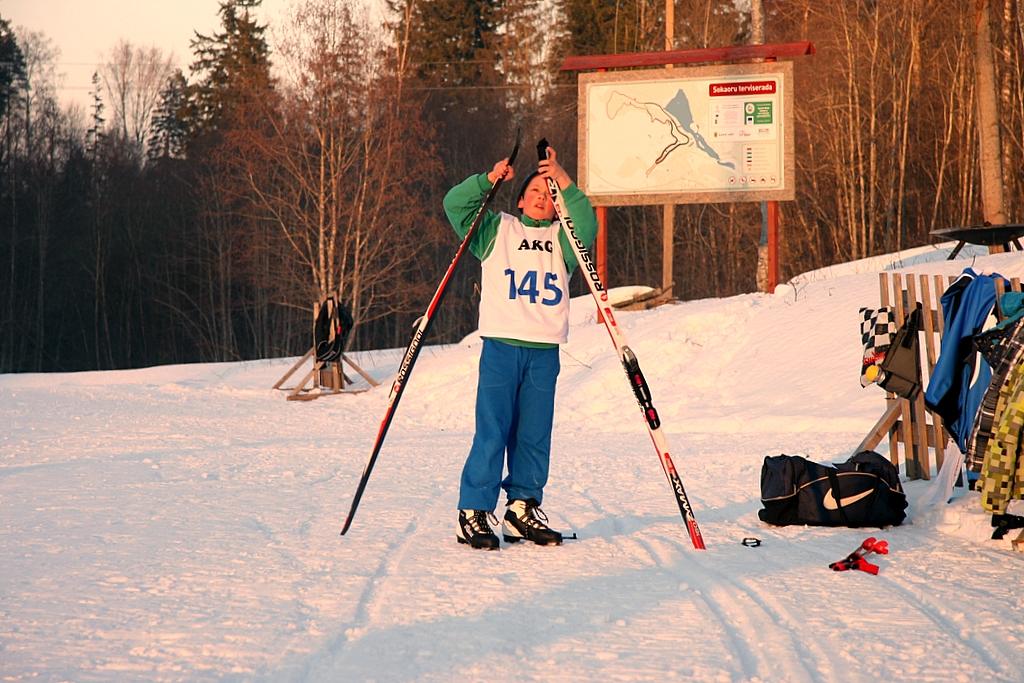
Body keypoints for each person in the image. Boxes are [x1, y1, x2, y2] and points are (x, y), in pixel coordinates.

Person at [443, 143, 597, 550]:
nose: (542, 199)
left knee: (533, 434)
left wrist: (562, 177)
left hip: (544, 351)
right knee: (492, 430)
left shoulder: (564, 241)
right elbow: (455, 205)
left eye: (549, 195)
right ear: (520, 199)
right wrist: (488, 179)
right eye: (535, 192)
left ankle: (521, 507)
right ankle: (473, 511)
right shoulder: (498, 230)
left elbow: (587, 223)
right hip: (501, 348)